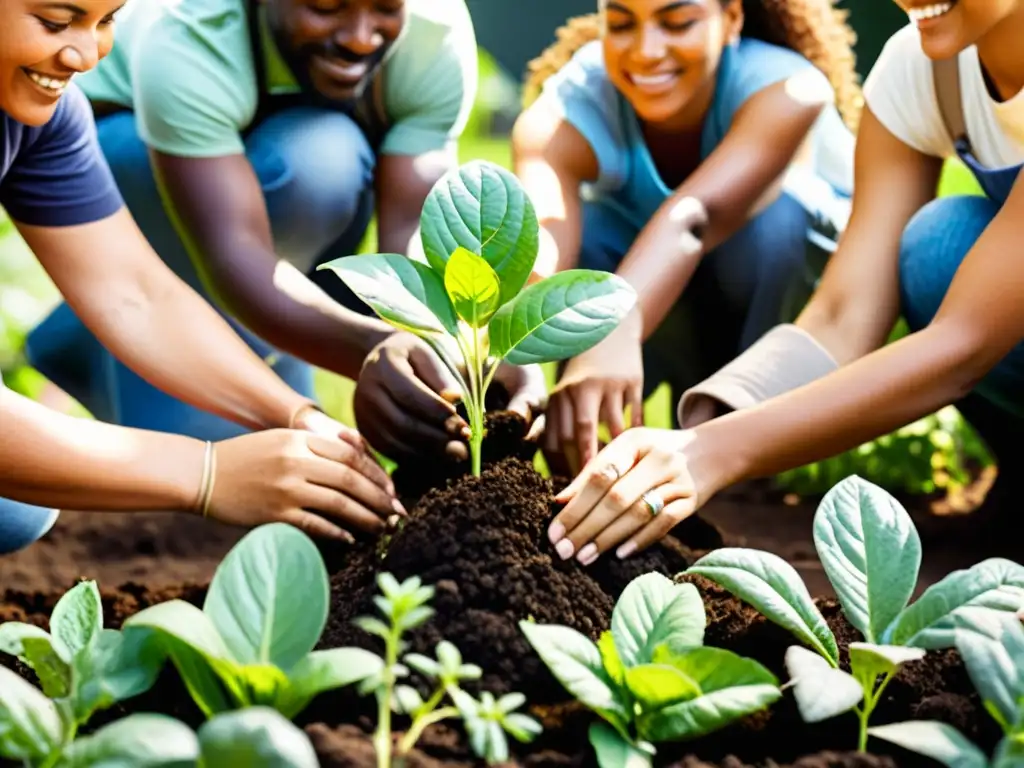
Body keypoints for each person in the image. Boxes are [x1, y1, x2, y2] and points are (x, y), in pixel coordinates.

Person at [547, 0, 1024, 565]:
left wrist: (712, 453)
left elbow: (963, 343)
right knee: (936, 250)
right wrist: (699, 429)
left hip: (977, 337)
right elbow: (843, 317)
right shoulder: (921, 70)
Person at [20, 0, 543, 465]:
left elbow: (409, 230)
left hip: (283, 176)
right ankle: (119, 327)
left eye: (383, 8)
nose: (362, 35)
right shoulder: (190, 29)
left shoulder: (431, 28)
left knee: (324, 158)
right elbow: (233, 250)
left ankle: (83, 335)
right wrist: (368, 347)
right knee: (207, 482)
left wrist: (462, 347)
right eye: (325, 6)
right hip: (126, 161)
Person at [0, 0, 405, 555]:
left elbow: (136, 293)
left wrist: (294, 414)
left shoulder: (44, 115)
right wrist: (206, 471)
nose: (85, 55)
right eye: (55, 22)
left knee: (16, 508)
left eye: (105, 21)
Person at [511, 0, 861, 477]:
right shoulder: (566, 107)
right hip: (667, 290)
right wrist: (514, 349)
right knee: (589, 238)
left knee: (780, 219)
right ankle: (587, 430)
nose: (647, 52)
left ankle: (746, 433)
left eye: (677, 23)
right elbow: (541, 248)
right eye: (620, 24)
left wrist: (613, 325)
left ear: (732, 19)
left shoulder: (787, 86)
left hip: (790, 309)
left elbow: (695, 217)